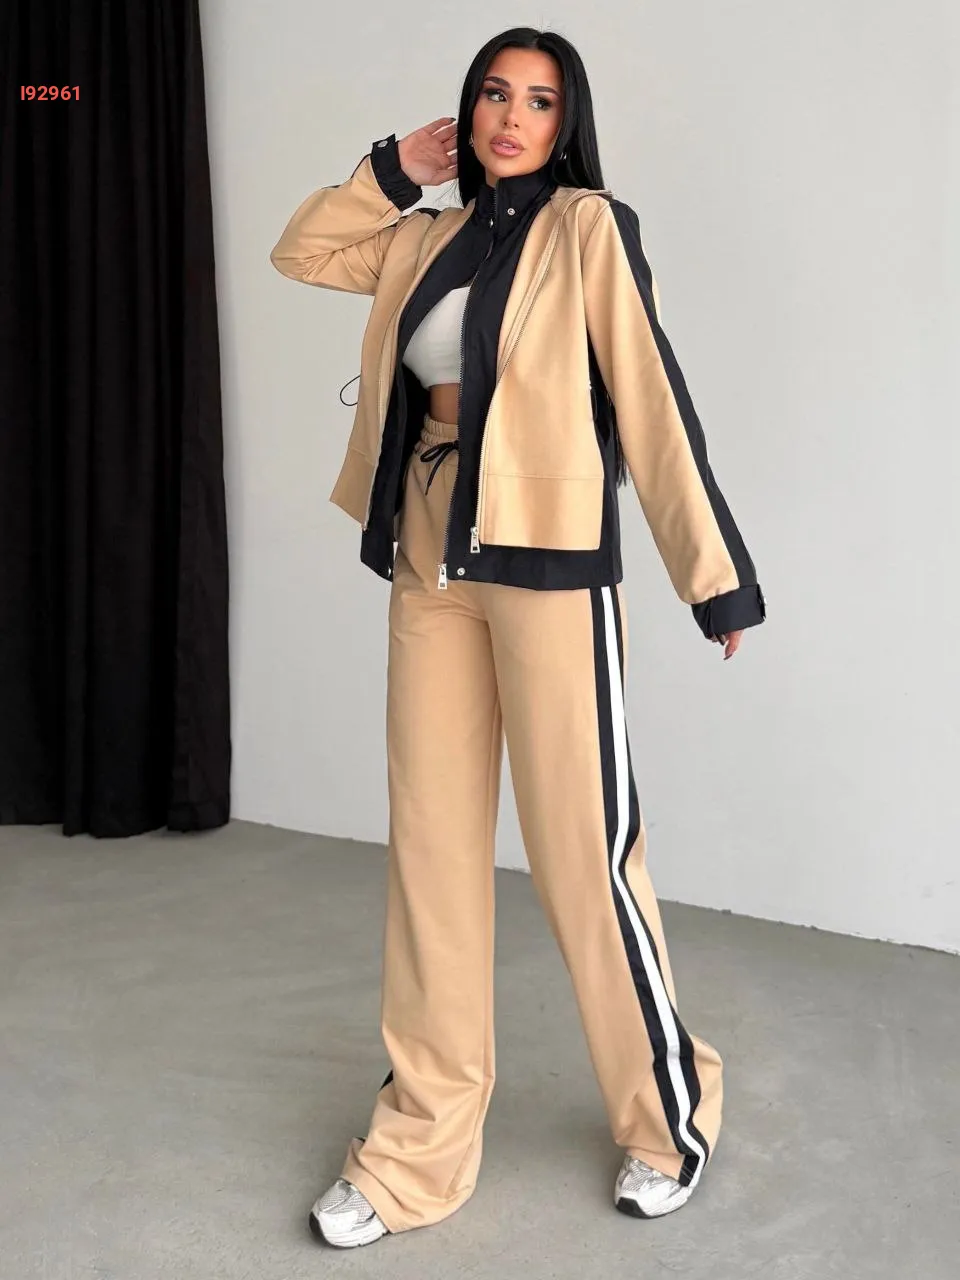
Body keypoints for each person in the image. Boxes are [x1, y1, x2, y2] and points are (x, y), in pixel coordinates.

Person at [269, 25, 766, 1251]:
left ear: (565, 123)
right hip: (430, 552)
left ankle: (672, 1116)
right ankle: (416, 1150)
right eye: (494, 93)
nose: (510, 116)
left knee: (581, 853)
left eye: (539, 101)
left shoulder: (588, 228)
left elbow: (650, 397)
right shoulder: (422, 238)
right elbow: (302, 250)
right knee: (432, 858)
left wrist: (712, 575)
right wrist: (393, 170)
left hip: (548, 562)